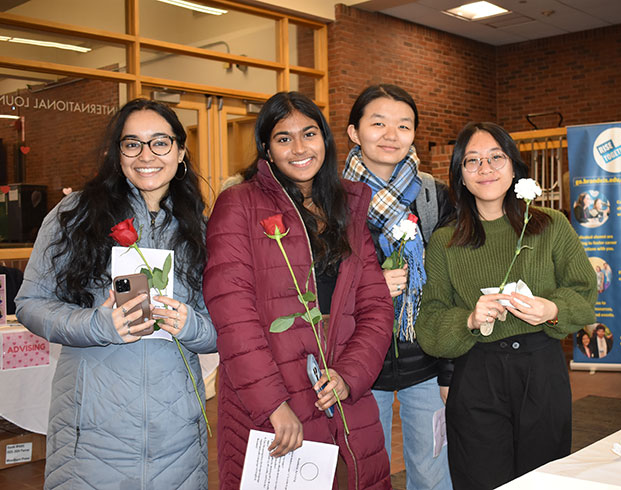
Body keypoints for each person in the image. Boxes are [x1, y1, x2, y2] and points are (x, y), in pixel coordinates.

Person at [15, 98, 216, 489]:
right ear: (117, 153)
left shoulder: (202, 229)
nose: (147, 155)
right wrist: (96, 324)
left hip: (176, 436)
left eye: (160, 142)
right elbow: (30, 304)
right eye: (132, 143)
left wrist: (192, 326)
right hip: (90, 434)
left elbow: (225, 327)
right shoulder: (76, 214)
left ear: (180, 151)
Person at [203, 91, 394, 490]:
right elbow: (233, 316)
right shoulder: (238, 204)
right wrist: (273, 405)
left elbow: (376, 306)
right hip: (272, 403)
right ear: (267, 150)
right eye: (283, 138)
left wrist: (349, 376)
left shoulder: (347, 208)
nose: (299, 148)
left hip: (342, 396)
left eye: (309, 133)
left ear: (325, 138)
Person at [414, 122, 597, 488]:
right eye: (472, 161)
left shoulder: (551, 226)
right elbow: (429, 324)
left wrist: (553, 309)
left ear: (514, 166)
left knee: (544, 478)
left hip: (541, 369)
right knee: (482, 478)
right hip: (477, 375)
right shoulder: (446, 241)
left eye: (496, 157)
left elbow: (584, 292)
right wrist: (468, 318)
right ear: (460, 176)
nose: (486, 169)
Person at [342, 84, 454, 490]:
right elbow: (315, 282)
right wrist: (368, 287)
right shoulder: (332, 198)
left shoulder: (432, 196)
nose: (391, 135)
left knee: (433, 472)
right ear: (354, 132)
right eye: (378, 123)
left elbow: (450, 286)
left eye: (403, 125)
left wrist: (449, 371)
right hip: (357, 364)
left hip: (424, 359)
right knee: (365, 475)